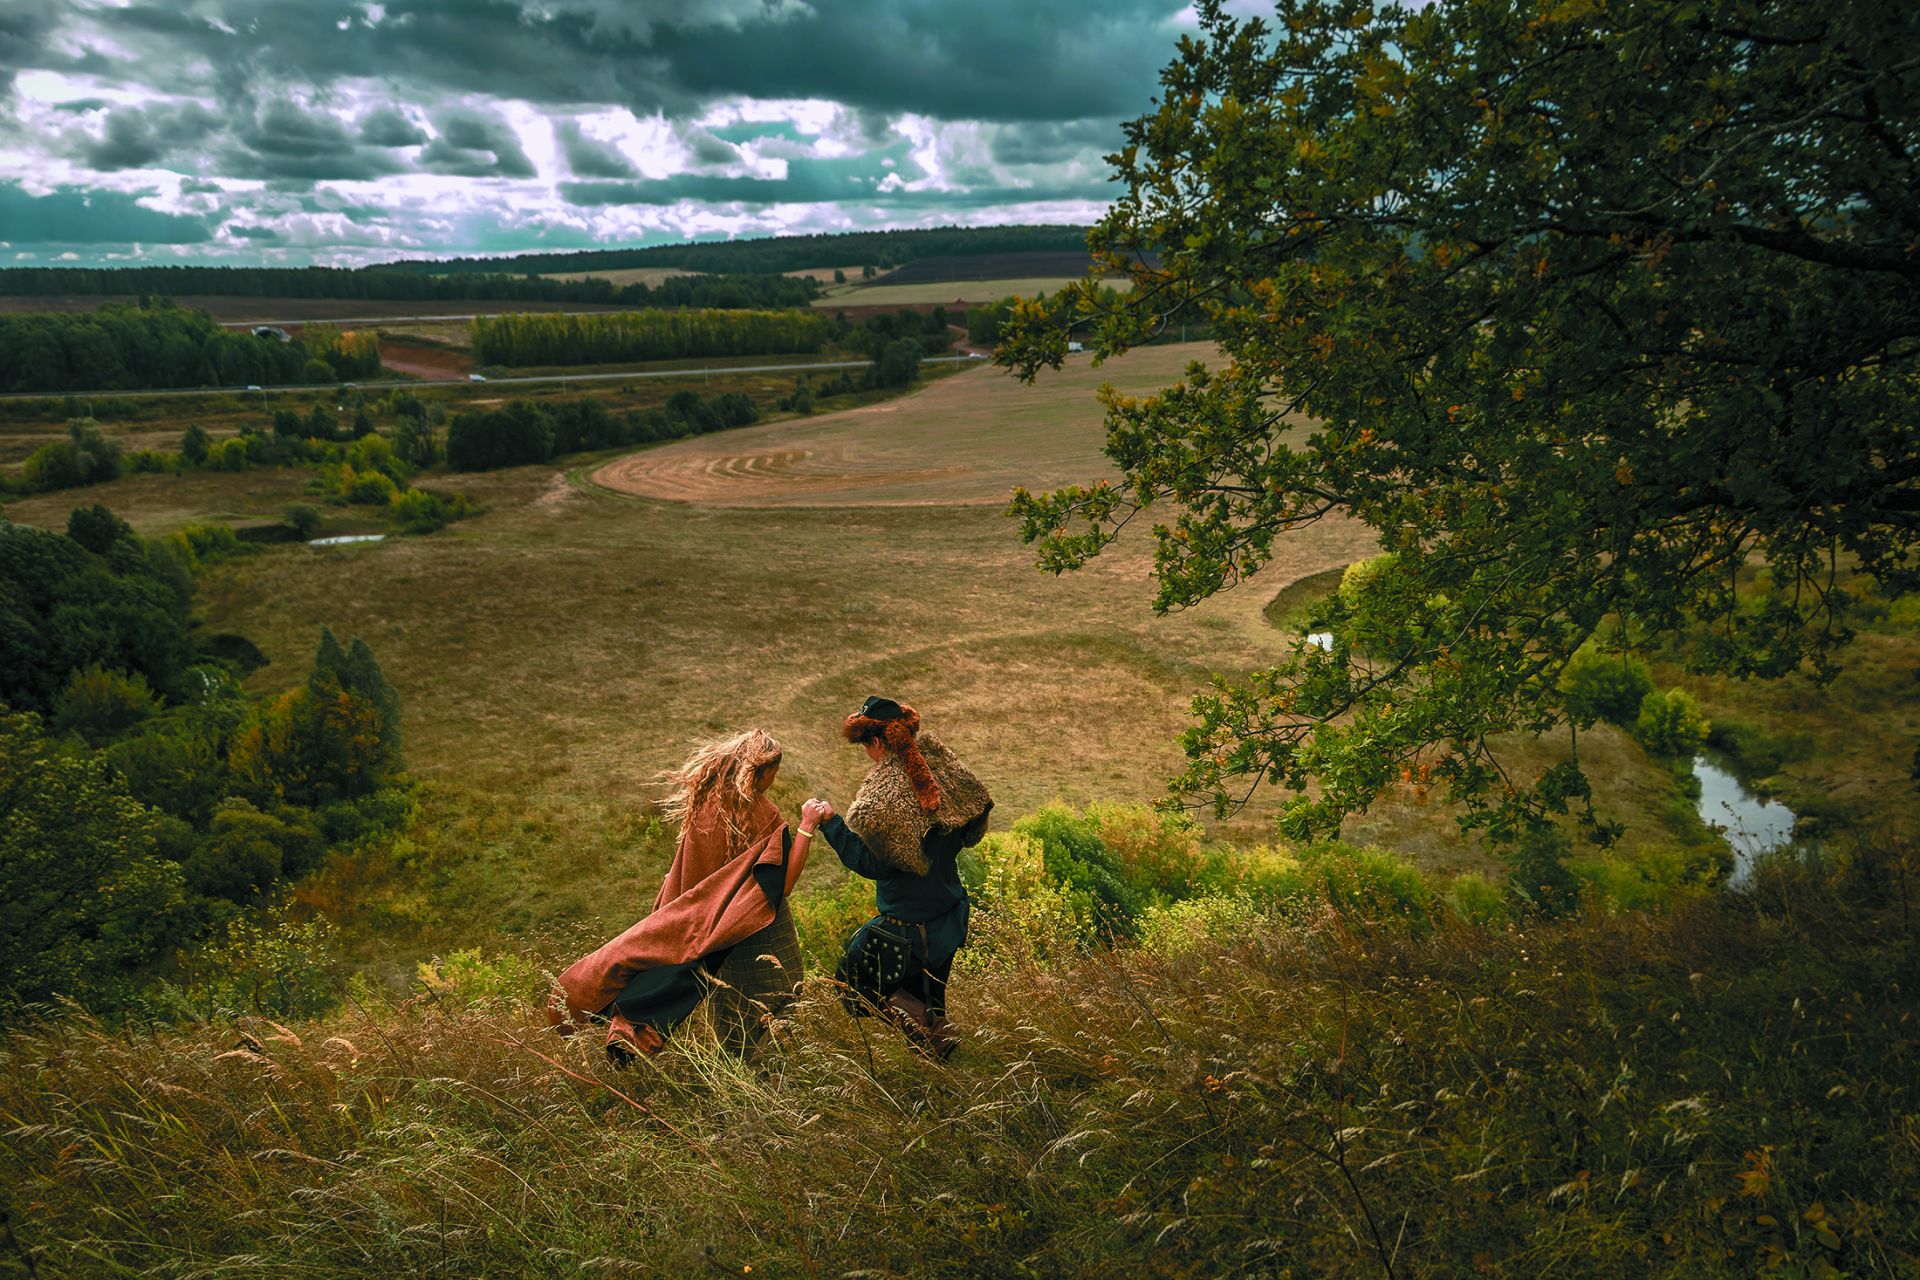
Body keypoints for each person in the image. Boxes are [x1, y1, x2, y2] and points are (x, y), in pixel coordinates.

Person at [548, 729, 817, 1059]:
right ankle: (771, 1075)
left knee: (726, 1004)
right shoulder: (762, 814)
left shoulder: (706, 805)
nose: (776, 778)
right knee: (779, 997)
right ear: (761, 770)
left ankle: (638, 1028)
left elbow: (686, 869)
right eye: (775, 770)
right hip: (758, 927)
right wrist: (807, 824)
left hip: (706, 926)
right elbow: (783, 883)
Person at [809, 697, 992, 1057]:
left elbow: (874, 864)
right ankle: (942, 1064)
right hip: (949, 916)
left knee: (852, 983)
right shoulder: (940, 762)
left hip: (908, 930)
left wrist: (831, 823)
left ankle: (938, 1037)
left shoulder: (880, 800)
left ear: (875, 742)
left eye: (864, 744)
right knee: (929, 1001)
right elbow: (974, 824)